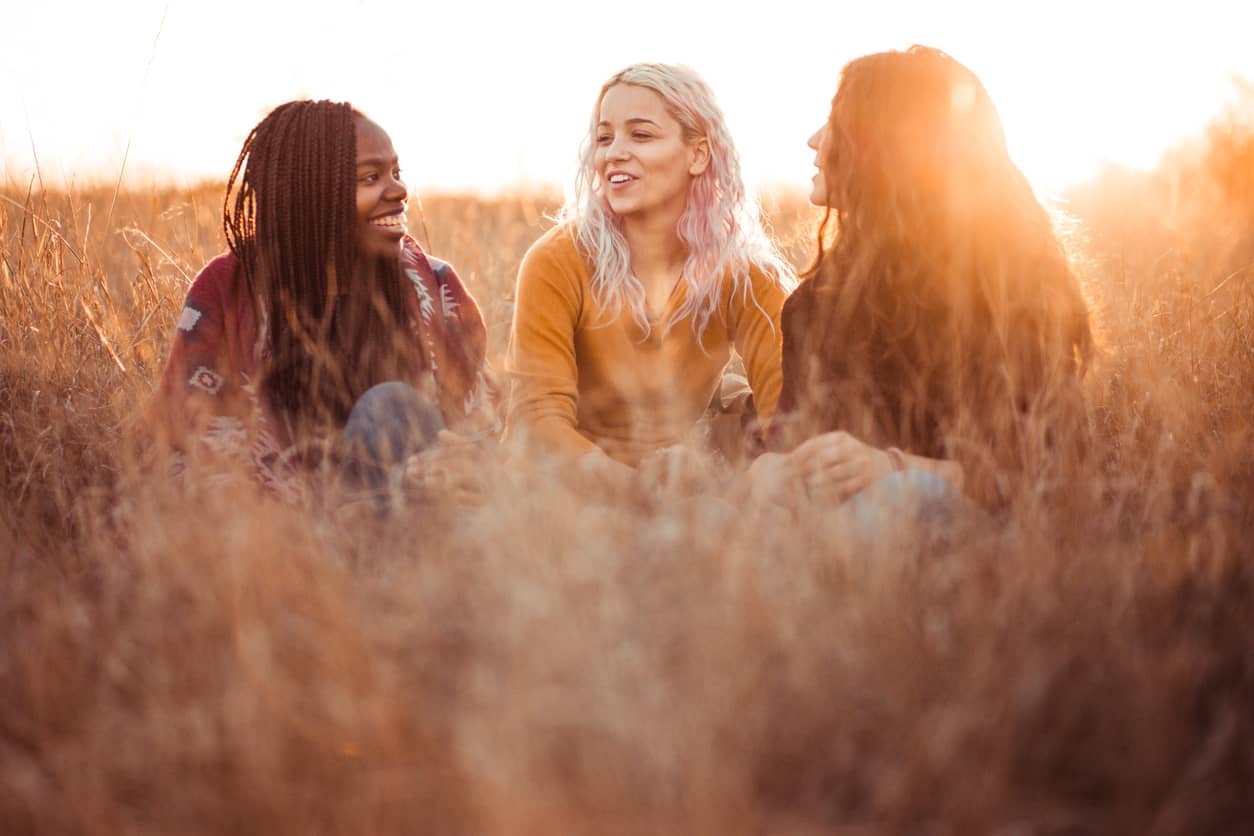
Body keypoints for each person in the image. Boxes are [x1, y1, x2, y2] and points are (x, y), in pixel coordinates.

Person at [758, 46, 1093, 512]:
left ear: (887, 144)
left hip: (958, 543)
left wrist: (892, 467)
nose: (814, 141)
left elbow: (1045, 474)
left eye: (836, 123)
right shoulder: (815, 303)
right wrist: (772, 471)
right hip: (829, 546)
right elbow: (787, 448)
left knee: (905, 497)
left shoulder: (1006, 294)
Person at [150, 99, 495, 505]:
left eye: (396, 173)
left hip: (415, 519)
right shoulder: (226, 290)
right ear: (310, 192)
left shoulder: (432, 286)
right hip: (284, 528)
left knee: (389, 408)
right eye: (371, 177)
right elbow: (187, 447)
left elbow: (483, 436)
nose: (400, 191)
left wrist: (461, 460)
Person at [504, 63, 795, 487]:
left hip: (685, 488)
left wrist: (745, 490)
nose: (613, 152)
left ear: (698, 155)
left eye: (641, 135)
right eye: (604, 137)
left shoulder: (749, 278)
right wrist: (637, 490)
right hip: (567, 494)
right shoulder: (555, 260)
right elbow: (539, 421)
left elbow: (785, 422)